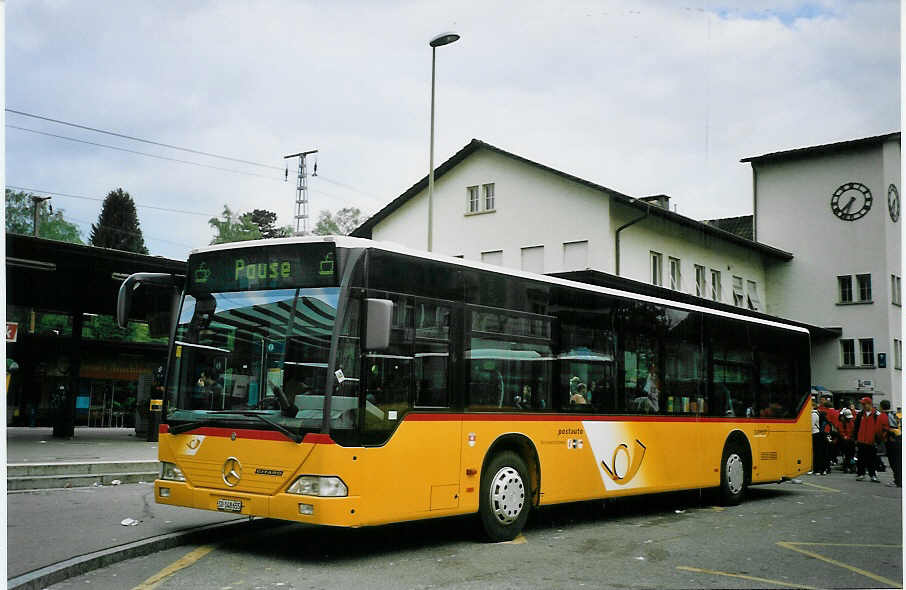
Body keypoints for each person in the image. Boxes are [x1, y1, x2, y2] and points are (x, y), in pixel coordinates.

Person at [853, 396, 887, 482]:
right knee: (860, 459)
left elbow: (881, 428)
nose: (863, 406)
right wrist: (855, 438)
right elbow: (856, 427)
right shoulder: (860, 414)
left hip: (872, 441)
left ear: (869, 404)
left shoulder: (877, 415)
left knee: (872, 459)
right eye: (862, 404)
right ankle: (861, 474)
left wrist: (878, 440)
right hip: (861, 440)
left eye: (864, 404)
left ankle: (873, 475)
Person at [880, 400, 901, 487]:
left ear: (881, 407)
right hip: (898, 439)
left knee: (894, 462)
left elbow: (892, 428)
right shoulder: (894, 414)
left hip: (893, 440)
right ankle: (898, 480)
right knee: (897, 462)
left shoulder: (886, 416)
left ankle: (898, 481)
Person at [811, 397, 827, 475]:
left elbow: (811, 425)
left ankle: (818, 469)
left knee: (817, 453)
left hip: (815, 434)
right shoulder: (816, 413)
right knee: (817, 452)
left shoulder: (813, 414)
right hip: (816, 434)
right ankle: (817, 469)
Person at [838, 407, 856, 473]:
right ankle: (846, 466)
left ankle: (851, 466)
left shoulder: (851, 422)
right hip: (844, 441)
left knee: (851, 454)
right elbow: (841, 432)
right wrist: (845, 437)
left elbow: (853, 431)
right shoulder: (842, 423)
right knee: (847, 454)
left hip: (850, 440)